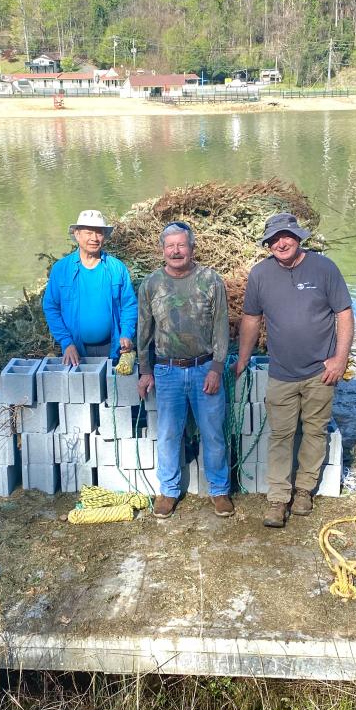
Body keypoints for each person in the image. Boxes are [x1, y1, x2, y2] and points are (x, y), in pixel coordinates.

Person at [235, 212, 354, 529]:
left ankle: (304, 491)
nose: (280, 243)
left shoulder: (324, 268)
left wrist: (340, 359)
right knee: (281, 436)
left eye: (285, 236)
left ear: (298, 237)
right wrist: (243, 357)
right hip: (281, 373)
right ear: (267, 244)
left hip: (321, 371)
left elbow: (344, 314)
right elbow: (250, 319)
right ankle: (277, 499)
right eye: (273, 239)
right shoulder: (260, 275)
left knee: (315, 432)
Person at [136, 222, 233, 519]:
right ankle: (168, 491)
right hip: (167, 372)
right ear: (162, 250)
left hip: (205, 368)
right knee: (167, 434)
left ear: (191, 248)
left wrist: (217, 367)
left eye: (181, 245)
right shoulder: (151, 284)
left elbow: (221, 326)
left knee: (213, 433)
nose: (176, 251)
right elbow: (144, 331)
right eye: (170, 246)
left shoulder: (210, 280)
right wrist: (145, 370)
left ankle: (219, 491)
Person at [42, 209, 137, 365]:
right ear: (77, 234)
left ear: (104, 236)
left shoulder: (116, 268)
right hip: (75, 350)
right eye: (88, 233)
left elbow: (129, 305)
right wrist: (66, 343)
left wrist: (126, 333)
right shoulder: (61, 269)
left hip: (112, 347)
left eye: (99, 233)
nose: (94, 238)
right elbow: (51, 307)